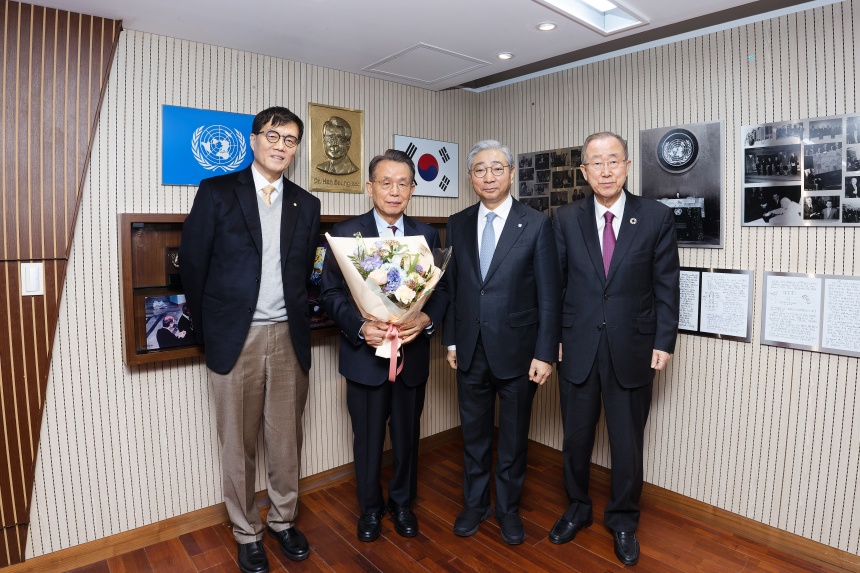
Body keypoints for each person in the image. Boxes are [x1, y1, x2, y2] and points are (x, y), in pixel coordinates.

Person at [179, 106, 321, 573]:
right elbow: (194, 267)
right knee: (237, 444)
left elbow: (303, 274)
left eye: (291, 140)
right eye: (274, 136)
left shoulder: (306, 202)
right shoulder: (218, 192)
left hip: (288, 337)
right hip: (234, 339)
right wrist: (209, 335)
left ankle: (283, 521)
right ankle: (246, 531)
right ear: (254, 139)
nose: (282, 146)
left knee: (285, 440)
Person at [551, 132, 680, 566]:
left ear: (626, 166)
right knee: (576, 439)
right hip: (578, 346)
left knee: (627, 443)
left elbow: (667, 286)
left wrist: (664, 341)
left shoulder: (656, 216)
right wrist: (555, 341)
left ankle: (623, 519)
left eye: (613, 161)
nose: (605, 170)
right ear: (584, 171)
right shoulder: (565, 218)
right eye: (596, 163)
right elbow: (556, 287)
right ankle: (578, 508)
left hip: (634, 348)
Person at [319, 149, 449, 543]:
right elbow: (329, 294)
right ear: (369, 186)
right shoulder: (343, 233)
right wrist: (361, 327)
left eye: (403, 184)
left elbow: (442, 292)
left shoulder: (427, 234)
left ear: (412, 188)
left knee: (408, 437)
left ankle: (403, 504)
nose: (394, 191)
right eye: (385, 183)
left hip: (411, 356)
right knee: (369, 439)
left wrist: (425, 320)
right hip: (365, 358)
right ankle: (370, 509)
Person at [442, 140, 561, 545]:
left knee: (512, 439)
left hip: (518, 353)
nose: (488, 177)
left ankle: (508, 508)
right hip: (470, 351)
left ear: (511, 173)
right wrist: (452, 342)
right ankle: (475, 504)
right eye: (479, 170)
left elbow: (549, 295)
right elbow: (453, 290)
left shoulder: (538, 223)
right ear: (471, 177)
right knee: (473, 437)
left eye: (496, 168)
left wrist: (545, 352)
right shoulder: (456, 223)